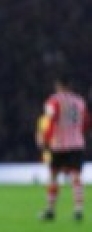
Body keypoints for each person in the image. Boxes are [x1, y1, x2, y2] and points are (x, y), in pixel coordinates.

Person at [36, 79, 87, 221]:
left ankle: (50, 210)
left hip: (58, 144)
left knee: (53, 176)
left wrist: (44, 138)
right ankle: (78, 209)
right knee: (76, 177)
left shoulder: (53, 101)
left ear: (58, 86)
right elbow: (85, 122)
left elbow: (50, 120)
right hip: (77, 144)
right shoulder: (80, 101)